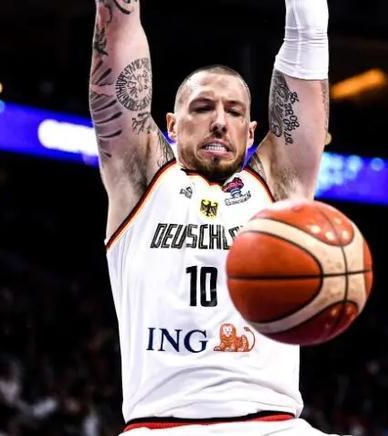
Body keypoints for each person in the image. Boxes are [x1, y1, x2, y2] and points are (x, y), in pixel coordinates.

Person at [88, 0, 333, 434]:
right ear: (171, 125)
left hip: (272, 425)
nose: (219, 121)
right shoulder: (142, 180)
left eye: (234, 112)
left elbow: (309, 34)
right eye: (202, 108)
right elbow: (119, 26)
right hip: (161, 426)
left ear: (251, 133)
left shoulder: (277, 188)